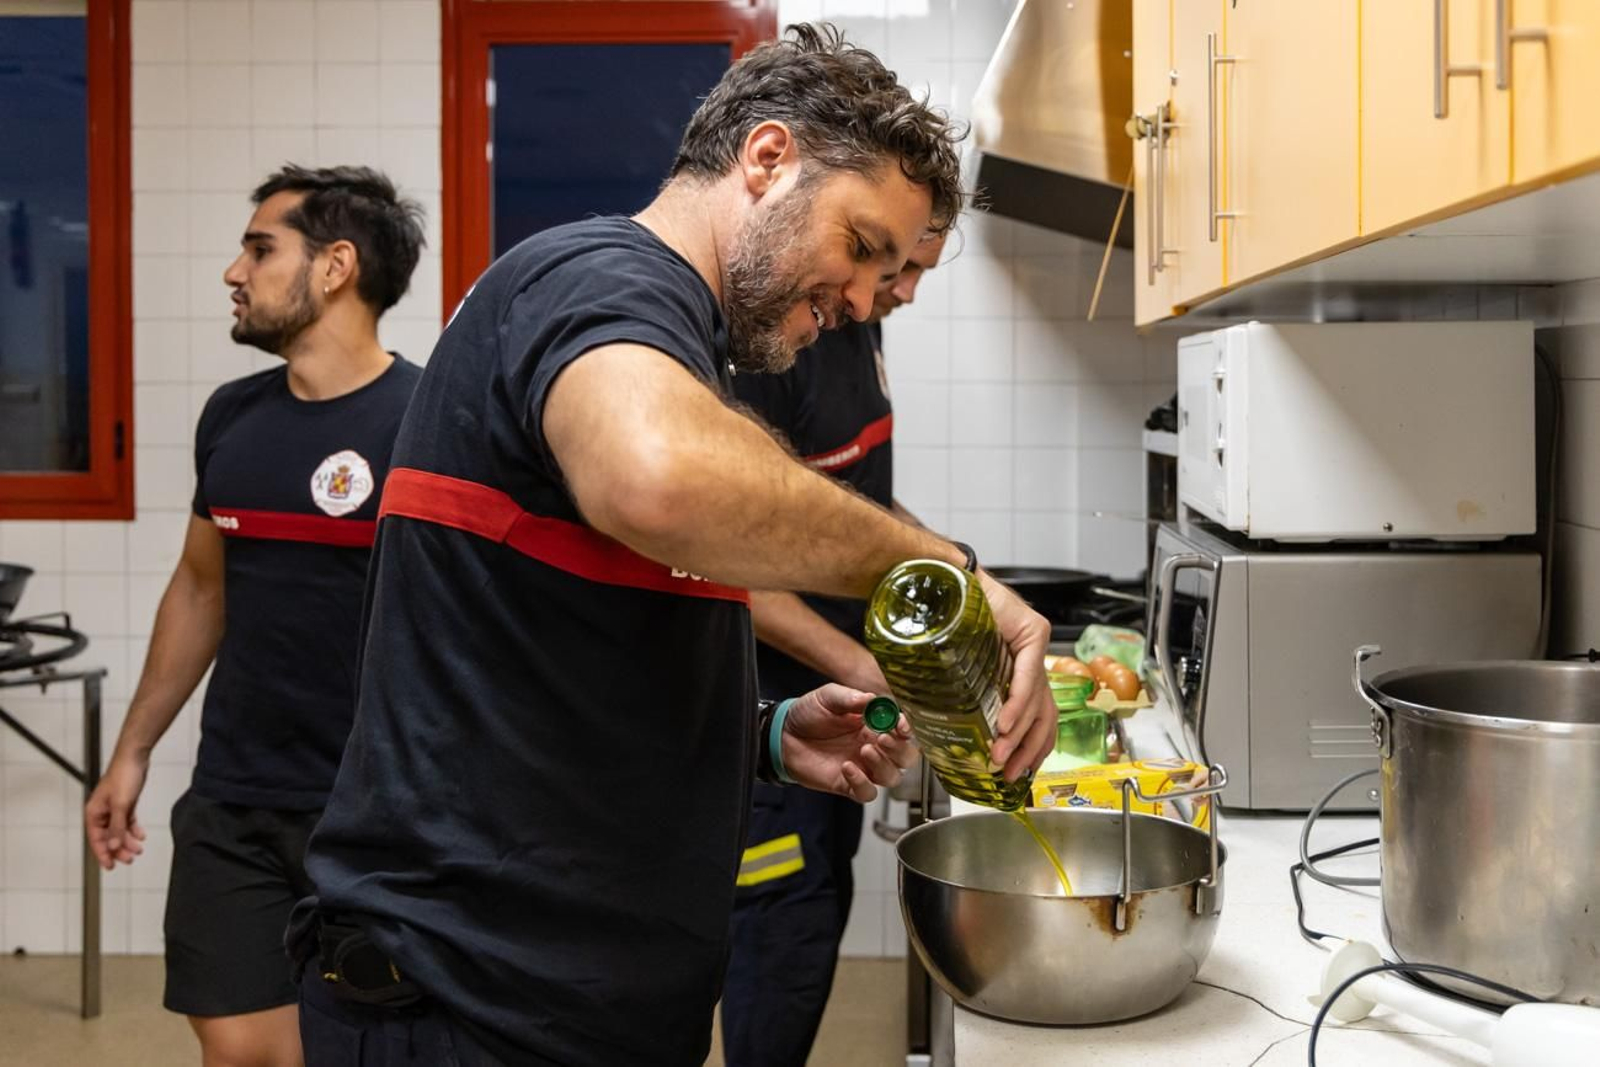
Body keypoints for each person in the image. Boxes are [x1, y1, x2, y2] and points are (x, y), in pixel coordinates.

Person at [291, 25, 1055, 1066]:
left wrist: (757, 731)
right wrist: (946, 576)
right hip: (473, 1005)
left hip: (572, 1002)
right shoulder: (596, 277)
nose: (869, 297)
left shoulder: (690, 345)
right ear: (768, 158)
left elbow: (567, 641)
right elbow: (655, 479)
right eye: (864, 246)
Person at [83, 165, 426, 1067]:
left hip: (372, 810)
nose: (235, 272)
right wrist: (132, 752)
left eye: (260, 247)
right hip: (234, 796)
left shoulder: (429, 423)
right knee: (237, 1046)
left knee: (350, 1047)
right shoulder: (231, 418)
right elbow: (201, 588)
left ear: (335, 266)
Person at [720, 229, 946, 1067]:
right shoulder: (770, 355)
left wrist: (958, 570)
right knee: (782, 933)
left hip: (845, 708)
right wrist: (859, 664)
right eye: (903, 267)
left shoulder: (858, 324)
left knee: (817, 915)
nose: (906, 290)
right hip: (775, 723)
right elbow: (730, 571)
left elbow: (856, 508)